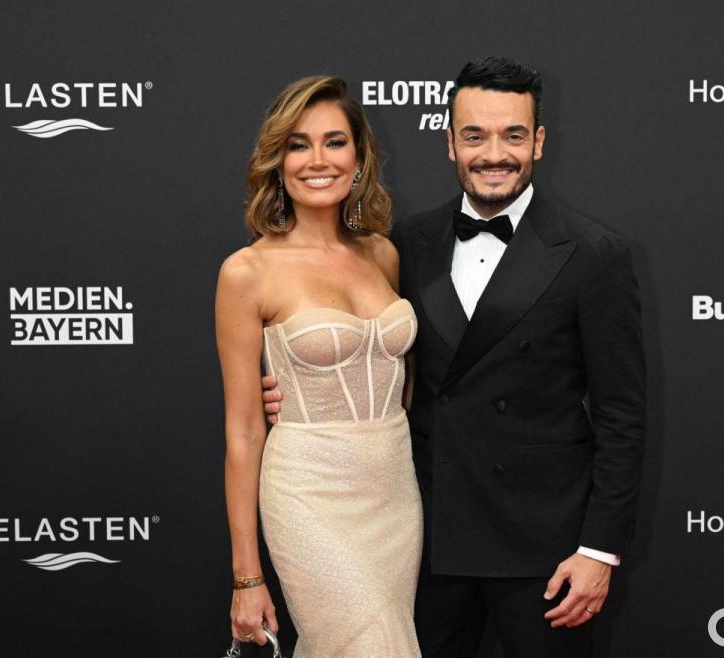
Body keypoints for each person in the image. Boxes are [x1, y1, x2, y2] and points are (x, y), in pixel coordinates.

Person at [265, 56, 646, 657]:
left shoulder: (594, 253)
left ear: (539, 142)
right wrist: (298, 392)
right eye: (474, 136)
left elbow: (622, 416)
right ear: (449, 144)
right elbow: (376, 354)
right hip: (423, 538)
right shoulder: (404, 246)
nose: (494, 154)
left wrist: (598, 550)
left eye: (513, 135)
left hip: (546, 550)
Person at [215, 75, 423, 657]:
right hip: (308, 491)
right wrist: (247, 578)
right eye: (298, 145)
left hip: (393, 491)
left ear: (358, 157)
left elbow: (399, 379)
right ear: (277, 161)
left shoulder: (382, 253)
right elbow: (243, 431)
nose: (317, 160)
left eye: (335, 142)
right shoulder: (247, 272)